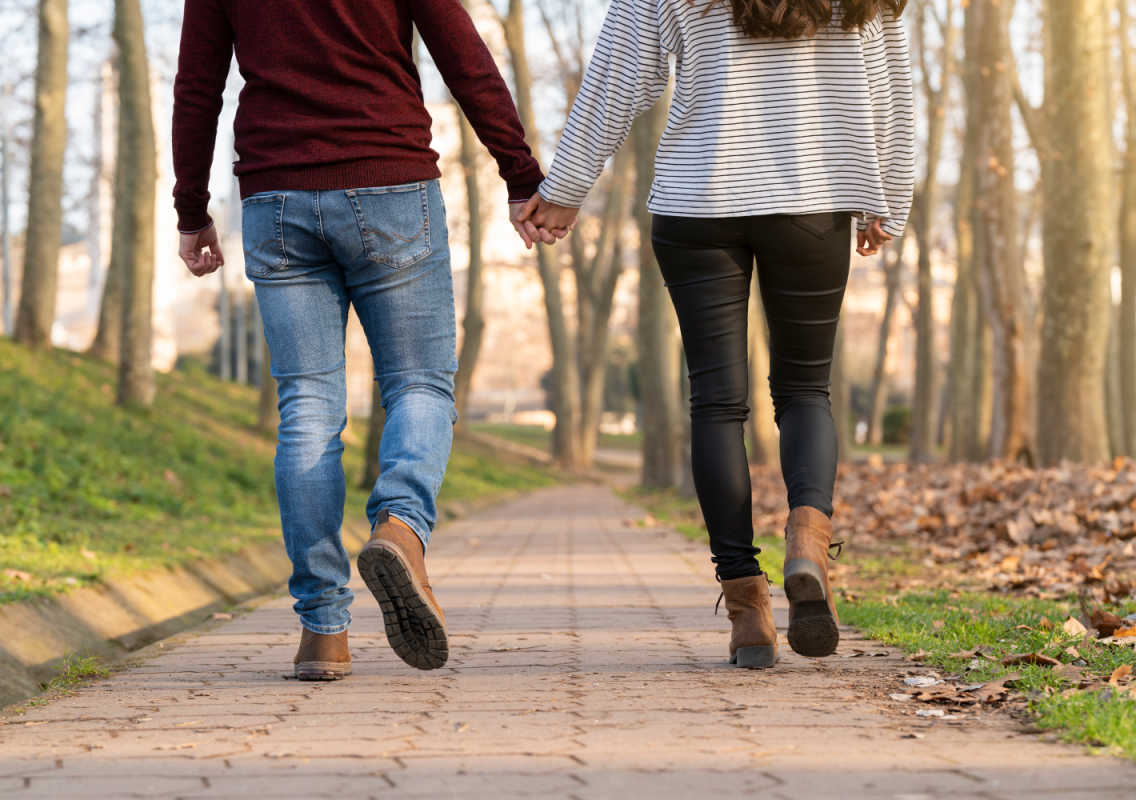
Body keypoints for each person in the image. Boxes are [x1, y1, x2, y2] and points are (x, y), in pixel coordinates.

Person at [521, 0, 914, 667]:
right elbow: (891, 91)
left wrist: (566, 188)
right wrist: (889, 198)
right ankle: (807, 544)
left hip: (698, 200)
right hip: (815, 200)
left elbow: (618, 76)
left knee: (717, 402)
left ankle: (747, 612)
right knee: (804, 391)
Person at [171, 0, 550, 678]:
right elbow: (462, 54)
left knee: (308, 409)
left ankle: (322, 629)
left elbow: (198, 83)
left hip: (276, 195)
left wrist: (192, 209)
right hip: (391, 180)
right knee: (420, 383)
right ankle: (400, 527)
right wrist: (518, 172)